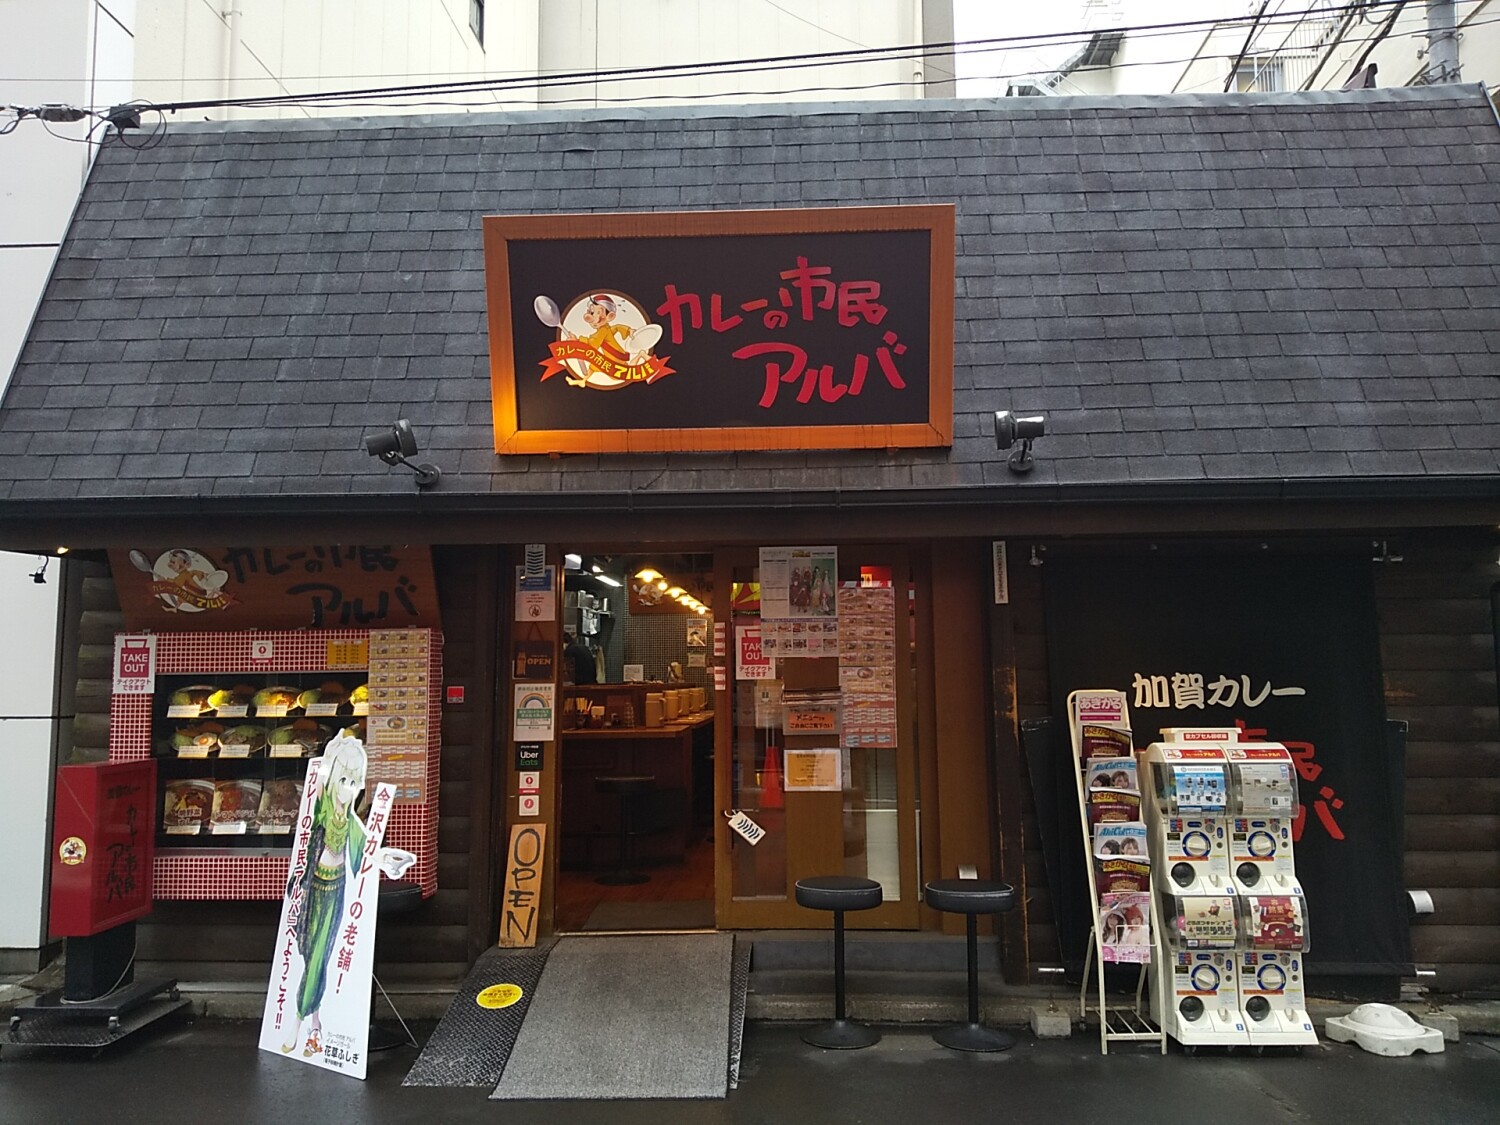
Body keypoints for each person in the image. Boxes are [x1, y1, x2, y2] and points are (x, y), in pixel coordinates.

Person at [281, 732, 368, 1057]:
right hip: (313, 888)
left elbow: (364, 856)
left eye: (353, 781)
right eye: (343, 779)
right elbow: (317, 786)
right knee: (309, 953)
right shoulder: (321, 810)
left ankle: (298, 1022)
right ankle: (317, 1025)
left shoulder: (353, 824)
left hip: (336, 892)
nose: (347, 788)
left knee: (319, 957)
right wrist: (333, 749)